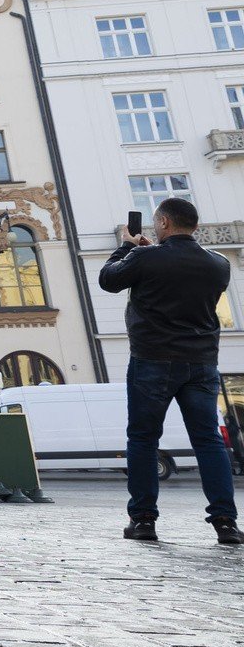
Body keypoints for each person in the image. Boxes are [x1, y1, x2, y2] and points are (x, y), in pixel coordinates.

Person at [99, 197, 240, 545]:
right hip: (202, 362)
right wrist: (147, 255)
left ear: (162, 222)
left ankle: (144, 520)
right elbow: (176, 276)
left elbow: (109, 280)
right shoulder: (219, 265)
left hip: (152, 360)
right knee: (208, 441)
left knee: (144, 439)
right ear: (194, 225)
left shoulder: (145, 258)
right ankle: (225, 523)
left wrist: (127, 249)